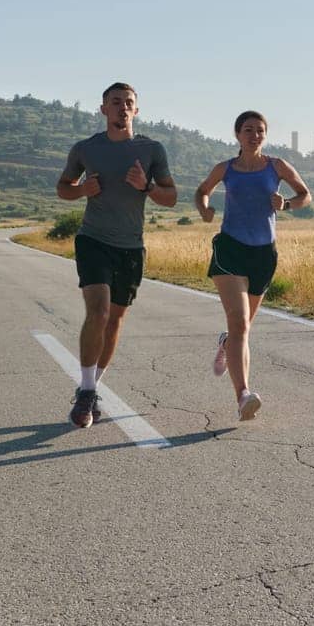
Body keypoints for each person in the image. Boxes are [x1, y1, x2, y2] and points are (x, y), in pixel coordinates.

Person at [56, 82, 177, 427]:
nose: (122, 108)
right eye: (115, 102)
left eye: (128, 103)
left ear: (136, 111)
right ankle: (86, 393)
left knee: (115, 321)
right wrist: (82, 190)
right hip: (93, 240)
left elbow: (170, 197)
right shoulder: (85, 149)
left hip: (131, 246)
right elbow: (63, 188)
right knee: (99, 310)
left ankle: (91, 388)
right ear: (103, 109)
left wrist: (147, 187)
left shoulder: (152, 150)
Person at [193, 110, 311, 421]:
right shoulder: (226, 169)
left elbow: (305, 196)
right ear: (237, 135)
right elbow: (202, 191)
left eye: (260, 130)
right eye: (248, 130)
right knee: (240, 321)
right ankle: (243, 395)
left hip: (263, 254)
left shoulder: (277, 166)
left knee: (242, 328)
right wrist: (205, 209)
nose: (254, 135)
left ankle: (226, 342)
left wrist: (286, 204)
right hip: (231, 249)